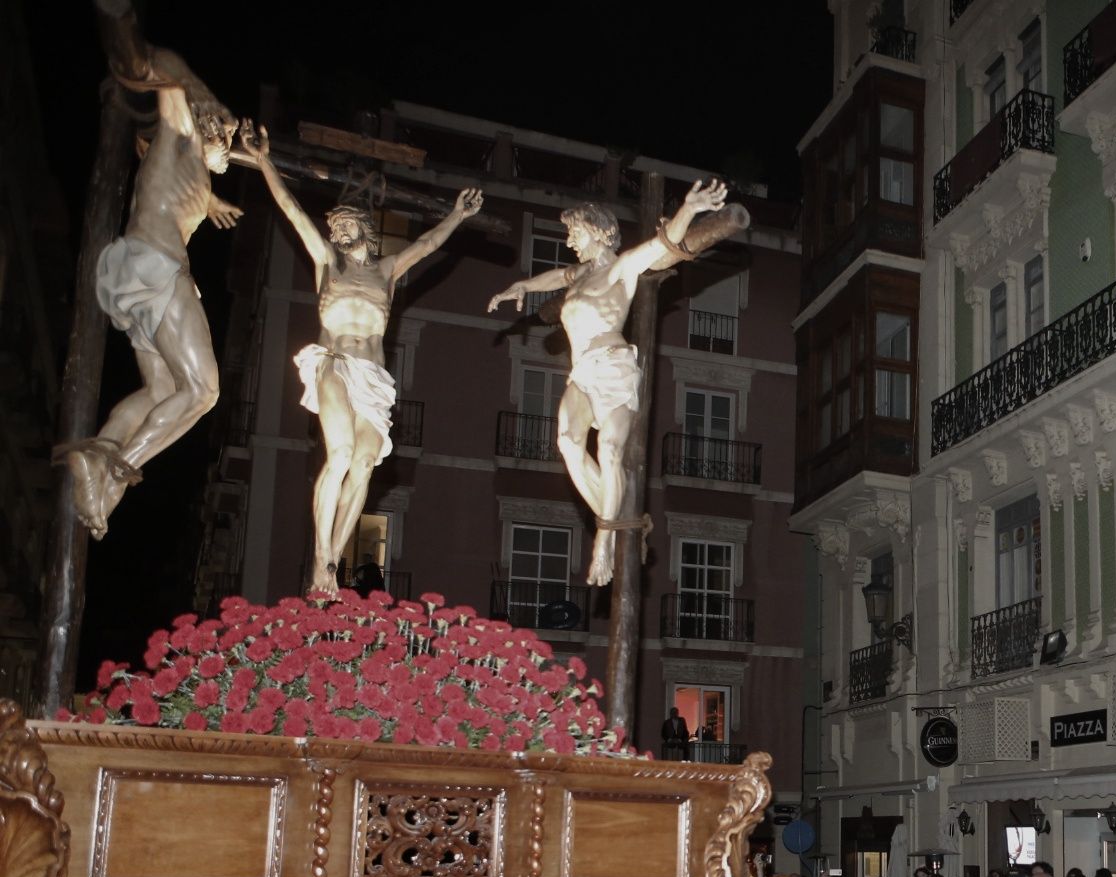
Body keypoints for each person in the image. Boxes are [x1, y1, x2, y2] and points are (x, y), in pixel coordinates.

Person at [239, 124, 483, 595]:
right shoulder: (326, 264)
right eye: (335, 226)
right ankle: (319, 558)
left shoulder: (387, 271)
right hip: (333, 362)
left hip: (373, 375)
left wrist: (456, 215)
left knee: (366, 462)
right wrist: (266, 160)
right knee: (343, 453)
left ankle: (332, 560)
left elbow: (427, 246)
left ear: (365, 232)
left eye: (346, 224)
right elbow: (292, 213)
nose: (337, 230)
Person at [488, 180, 730, 584]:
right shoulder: (580, 275)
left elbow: (664, 243)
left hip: (613, 366)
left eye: (575, 232)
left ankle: (605, 540)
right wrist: (524, 285)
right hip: (581, 371)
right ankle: (621, 524)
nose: (570, 240)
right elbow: (556, 277)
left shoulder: (622, 267)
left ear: (600, 231)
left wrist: (689, 209)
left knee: (612, 451)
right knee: (567, 443)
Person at [60, 47, 242, 539]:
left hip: (135, 274)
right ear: (208, 129)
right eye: (226, 138)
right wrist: (202, 96)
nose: (231, 146)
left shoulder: (193, 174)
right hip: (157, 266)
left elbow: (191, 187)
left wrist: (211, 198)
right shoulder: (180, 131)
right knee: (203, 390)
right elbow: (162, 62)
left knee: (161, 391)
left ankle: (96, 449)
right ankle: (114, 477)